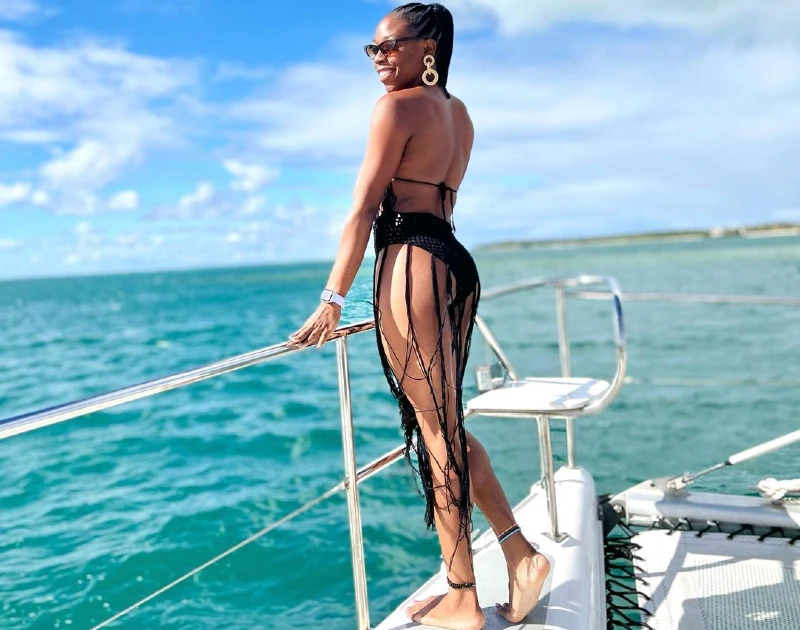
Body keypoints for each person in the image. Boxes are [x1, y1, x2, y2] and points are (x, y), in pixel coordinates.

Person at [288, 3, 550, 629]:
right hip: (453, 261)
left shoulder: (397, 108)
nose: (378, 59)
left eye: (388, 46)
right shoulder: (459, 115)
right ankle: (517, 554)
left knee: (436, 436)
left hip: (411, 265)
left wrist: (332, 300)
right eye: (371, 50)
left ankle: (464, 592)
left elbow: (361, 211)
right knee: (446, 428)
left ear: (428, 44)